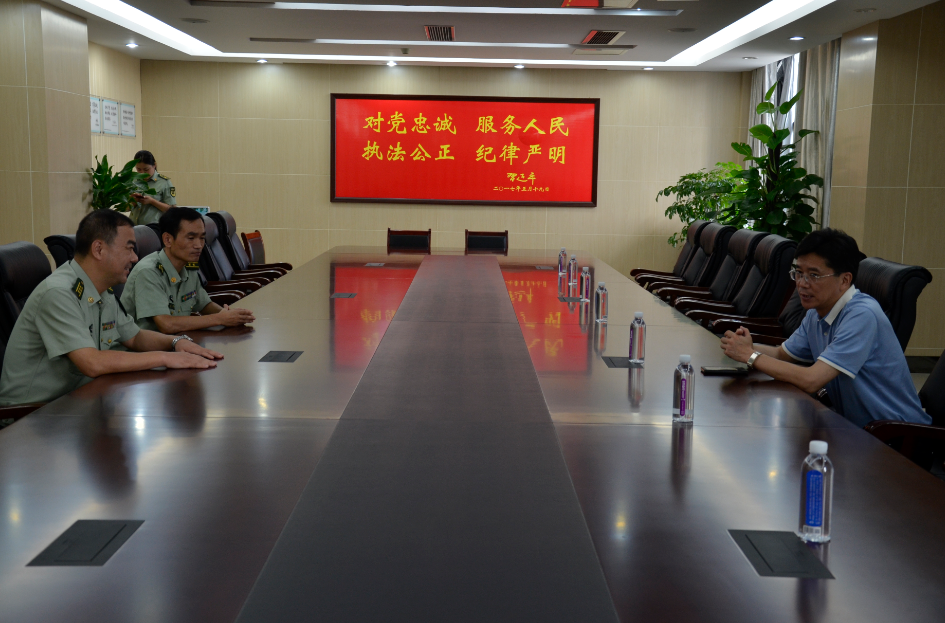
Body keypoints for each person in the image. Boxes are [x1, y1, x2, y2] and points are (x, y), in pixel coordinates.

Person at [0, 210, 223, 407]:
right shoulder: (59, 293)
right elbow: (92, 363)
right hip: (33, 416)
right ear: (99, 249)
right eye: (129, 248)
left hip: (80, 399)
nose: (135, 257)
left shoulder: (102, 290)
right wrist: (165, 358)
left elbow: (134, 337)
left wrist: (176, 342)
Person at [721, 228, 930, 427]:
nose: (802, 283)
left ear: (845, 280)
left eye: (814, 275)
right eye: (798, 273)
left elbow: (812, 380)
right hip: (855, 428)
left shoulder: (862, 315)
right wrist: (745, 346)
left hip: (897, 436)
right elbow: (782, 354)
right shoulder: (817, 311)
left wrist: (751, 356)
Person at [122, 207, 255, 332]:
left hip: (177, 341)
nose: (199, 245)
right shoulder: (148, 271)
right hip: (144, 347)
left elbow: (204, 304)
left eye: (202, 238)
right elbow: (166, 324)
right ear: (168, 240)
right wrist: (219, 319)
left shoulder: (188, 266)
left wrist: (229, 315)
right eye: (191, 238)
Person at [129, 150, 176, 225]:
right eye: (139, 169)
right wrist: (133, 201)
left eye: (146, 169)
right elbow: (126, 208)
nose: (142, 173)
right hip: (133, 226)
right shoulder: (133, 181)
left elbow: (173, 210)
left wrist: (152, 201)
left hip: (154, 228)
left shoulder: (164, 182)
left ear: (154, 165)